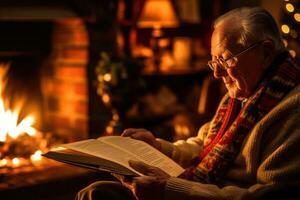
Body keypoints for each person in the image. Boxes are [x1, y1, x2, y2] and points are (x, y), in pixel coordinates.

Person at [77, 7, 300, 200]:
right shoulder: (241, 94)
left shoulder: (292, 109)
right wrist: (157, 147)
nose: (217, 73)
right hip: (196, 189)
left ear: (266, 52)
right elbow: (203, 146)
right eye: (214, 62)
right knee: (96, 191)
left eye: (225, 59)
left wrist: (169, 190)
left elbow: (268, 196)